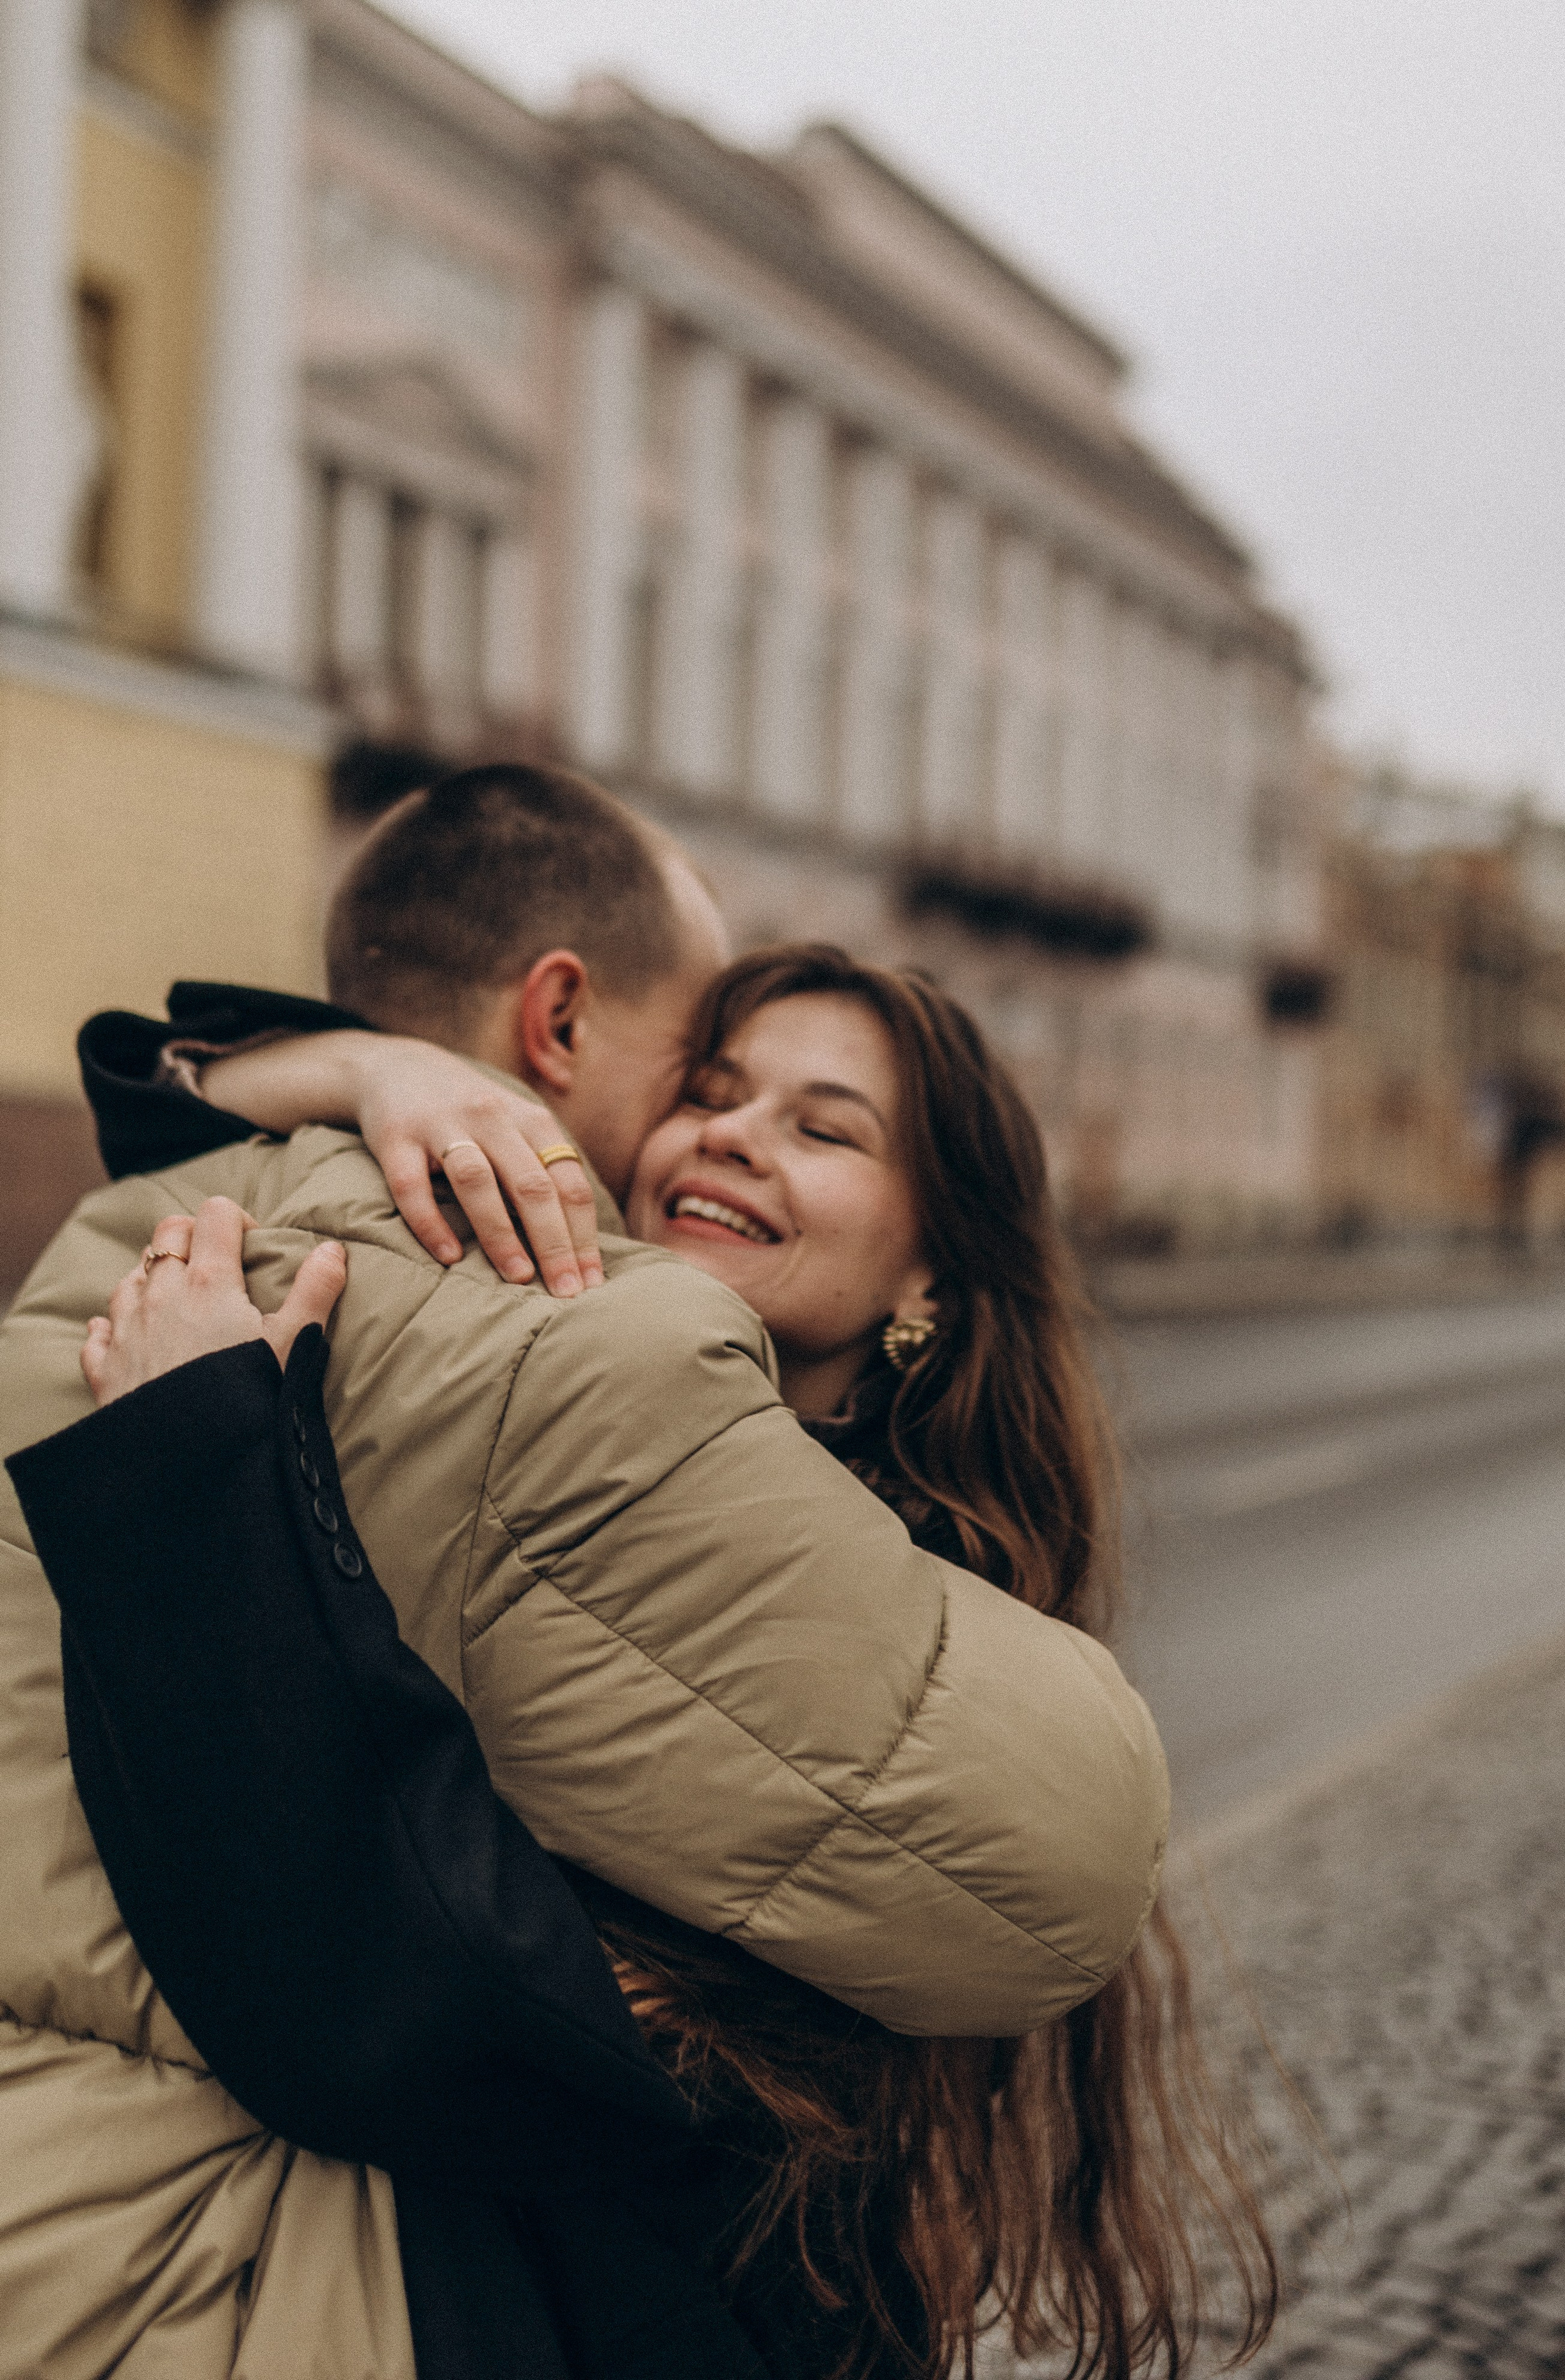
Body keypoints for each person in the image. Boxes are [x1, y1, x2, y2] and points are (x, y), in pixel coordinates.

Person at [0, 767, 1169, 2379]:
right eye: (709, 1079)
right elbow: (387, 1968)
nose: (723, 1133)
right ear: (552, 1022)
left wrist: (354, 1060)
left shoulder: (170, 1229)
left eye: (823, 1126)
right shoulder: (578, 1350)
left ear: (930, 1268)